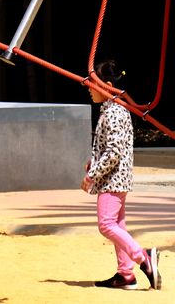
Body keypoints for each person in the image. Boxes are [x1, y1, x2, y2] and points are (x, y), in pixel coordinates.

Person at [83, 59, 162, 290]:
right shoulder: (113, 109)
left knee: (106, 224)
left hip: (112, 179)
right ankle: (125, 275)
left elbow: (114, 153)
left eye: (93, 83)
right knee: (118, 224)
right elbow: (110, 147)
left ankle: (143, 257)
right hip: (117, 178)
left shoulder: (114, 112)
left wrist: (92, 175)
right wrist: (93, 163)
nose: (89, 87)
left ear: (107, 85)